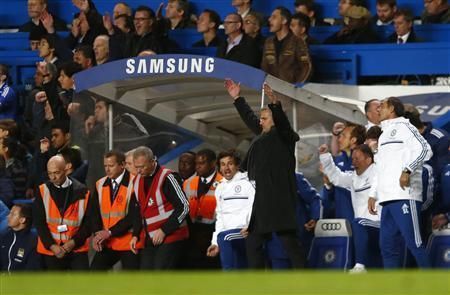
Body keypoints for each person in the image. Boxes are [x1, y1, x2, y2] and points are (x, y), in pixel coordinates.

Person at [224, 79, 305, 269]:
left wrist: (275, 103)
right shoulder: (262, 136)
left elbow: (284, 124)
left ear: (275, 119)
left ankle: (307, 282)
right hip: (262, 202)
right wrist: (237, 98)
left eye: (265, 118)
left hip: (280, 200)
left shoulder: (285, 137)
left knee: (290, 245)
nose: (260, 121)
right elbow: (250, 119)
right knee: (253, 245)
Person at [368, 97, 432, 268]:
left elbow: (425, 149)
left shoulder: (406, 127)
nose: (378, 109)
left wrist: (408, 170)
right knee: (387, 247)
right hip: (386, 199)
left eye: (382, 106)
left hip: (405, 195)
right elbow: (380, 166)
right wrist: (373, 194)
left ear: (392, 110)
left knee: (415, 244)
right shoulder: (383, 135)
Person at [320, 144, 381, 273]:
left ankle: (360, 265)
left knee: (358, 222)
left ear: (368, 160)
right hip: (365, 228)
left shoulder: (379, 172)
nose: (353, 162)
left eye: (357, 159)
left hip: (380, 224)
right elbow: (336, 177)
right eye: (352, 159)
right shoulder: (354, 177)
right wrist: (325, 157)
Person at [133, 146, 189, 269]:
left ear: (153, 161)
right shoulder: (136, 180)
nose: (139, 171)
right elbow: (139, 211)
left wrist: (164, 230)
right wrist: (135, 235)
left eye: (142, 167)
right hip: (149, 239)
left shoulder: (168, 177)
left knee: (161, 275)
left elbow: (184, 206)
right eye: (136, 167)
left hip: (171, 236)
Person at [33, 155, 93, 270]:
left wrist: (73, 242)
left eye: (56, 173)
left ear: (66, 170)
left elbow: (89, 223)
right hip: (51, 250)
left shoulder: (83, 192)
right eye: (50, 173)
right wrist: (52, 246)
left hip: (76, 248)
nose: (53, 177)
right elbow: (39, 222)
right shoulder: (42, 191)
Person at [90, 151, 143, 270]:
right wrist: (97, 235)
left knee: (131, 282)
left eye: (111, 166)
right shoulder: (100, 184)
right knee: (94, 272)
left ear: (122, 165)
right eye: (105, 166)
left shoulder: (135, 183)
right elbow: (94, 213)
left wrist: (109, 232)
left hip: (128, 242)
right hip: (108, 242)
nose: (107, 169)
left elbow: (133, 216)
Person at [206, 150, 254, 270]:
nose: (226, 168)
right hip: (229, 237)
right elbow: (220, 218)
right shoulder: (220, 188)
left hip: (245, 232)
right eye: (223, 164)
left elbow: (254, 207)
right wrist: (215, 243)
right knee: (241, 267)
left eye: (230, 163)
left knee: (224, 237)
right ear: (219, 168)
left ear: (237, 165)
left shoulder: (248, 183)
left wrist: (251, 226)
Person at [183, 149, 223, 269]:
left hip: (212, 232)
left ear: (213, 163)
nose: (198, 166)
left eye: (202, 163)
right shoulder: (188, 183)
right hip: (192, 232)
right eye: (196, 163)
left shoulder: (223, 183)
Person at [261, 7, 312, 84]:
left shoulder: (297, 41)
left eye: (274, 17)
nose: (269, 19)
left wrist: (297, 87)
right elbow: (265, 66)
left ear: (284, 21)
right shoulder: (269, 42)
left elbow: (306, 67)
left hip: (290, 90)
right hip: (272, 89)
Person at [0, 204, 41, 271]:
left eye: (13, 214)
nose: (8, 216)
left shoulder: (33, 242)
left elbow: (32, 272)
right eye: (10, 213)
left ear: (22, 220)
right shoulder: (4, 236)